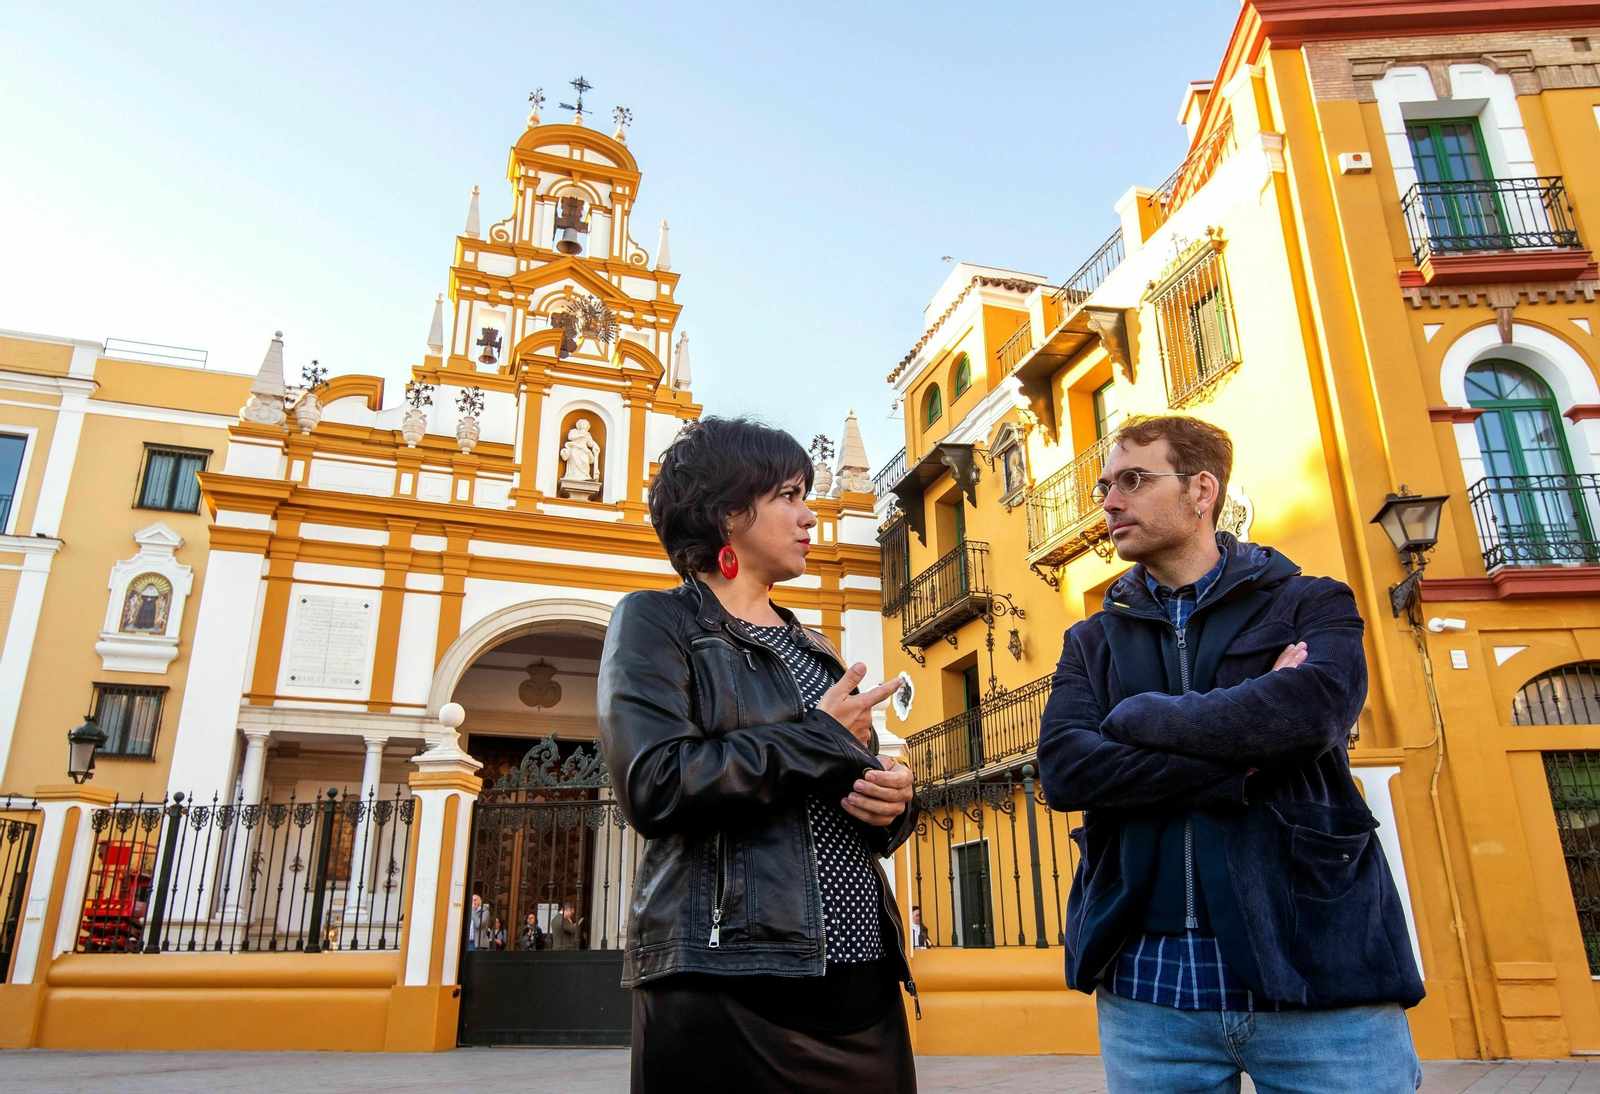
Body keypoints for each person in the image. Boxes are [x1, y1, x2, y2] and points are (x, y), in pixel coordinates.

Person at [1036, 415, 1424, 1094]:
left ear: (1201, 490)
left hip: (1317, 974)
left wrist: (1140, 718)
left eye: (1132, 479)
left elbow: (1313, 715)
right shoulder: (1088, 642)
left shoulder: (1314, 602)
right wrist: (1244, 751)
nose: (1109, 501)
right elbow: (1067, 771)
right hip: (1145, 992)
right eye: (1104, 486)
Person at [598, 416, 919, 1094]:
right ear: (727, 512)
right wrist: (819, 735)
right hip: (730, 986)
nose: (809, 516)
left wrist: (891, 802)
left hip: (862, 987)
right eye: (788, 495)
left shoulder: (818, 649)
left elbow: (846, 808)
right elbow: (653, 784)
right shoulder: (659, 622)